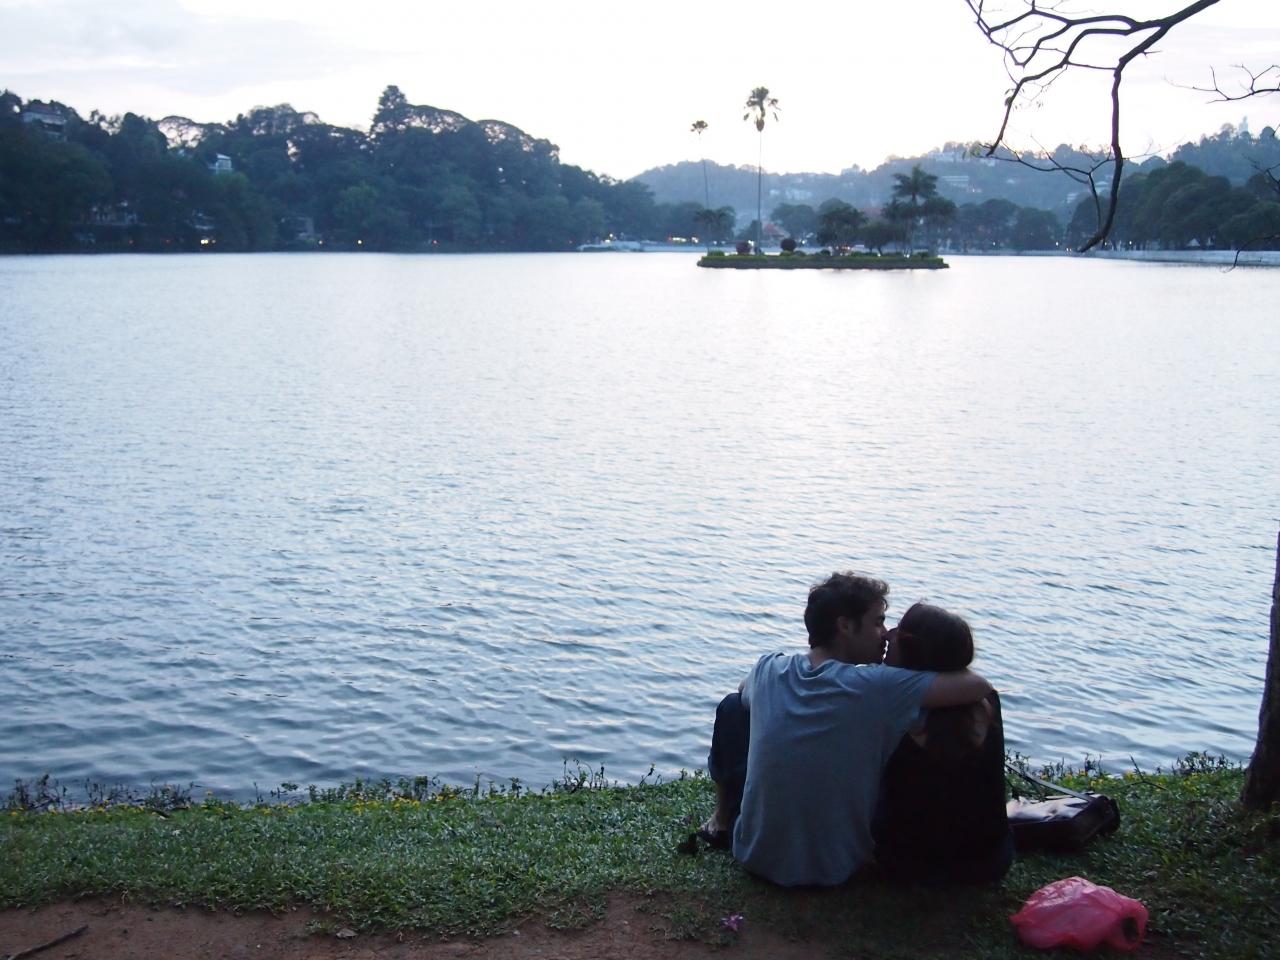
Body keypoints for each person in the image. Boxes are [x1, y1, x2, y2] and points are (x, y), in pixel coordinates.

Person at [702, 572, 993, 887]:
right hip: (836, 869)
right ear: (845, 626)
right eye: (878, 622)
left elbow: (743, 689)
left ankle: (721, 820)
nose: (885, 634)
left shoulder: (768, 668)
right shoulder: (879, 687)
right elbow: (979, 686)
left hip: (754, 855)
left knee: (733, 707)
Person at [873, 602, 1014, 883]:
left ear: (912, 648)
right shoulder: (986, 700)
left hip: (905, 862)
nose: (888, 634)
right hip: (988, 861)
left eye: (899, 630)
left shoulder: (890, 704)